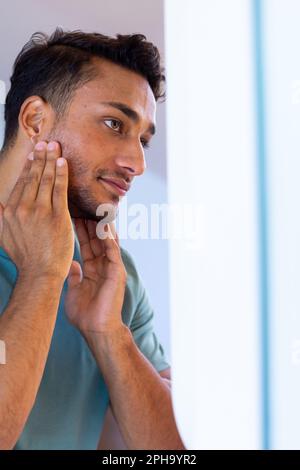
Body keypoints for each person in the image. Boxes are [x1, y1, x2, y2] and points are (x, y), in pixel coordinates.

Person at [0, 28, 184, 450]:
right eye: (114, 124)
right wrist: (42, 277)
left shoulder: (116, 278)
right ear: (34, 120)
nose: (136, 163)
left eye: (143, 140)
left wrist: (108, 332)